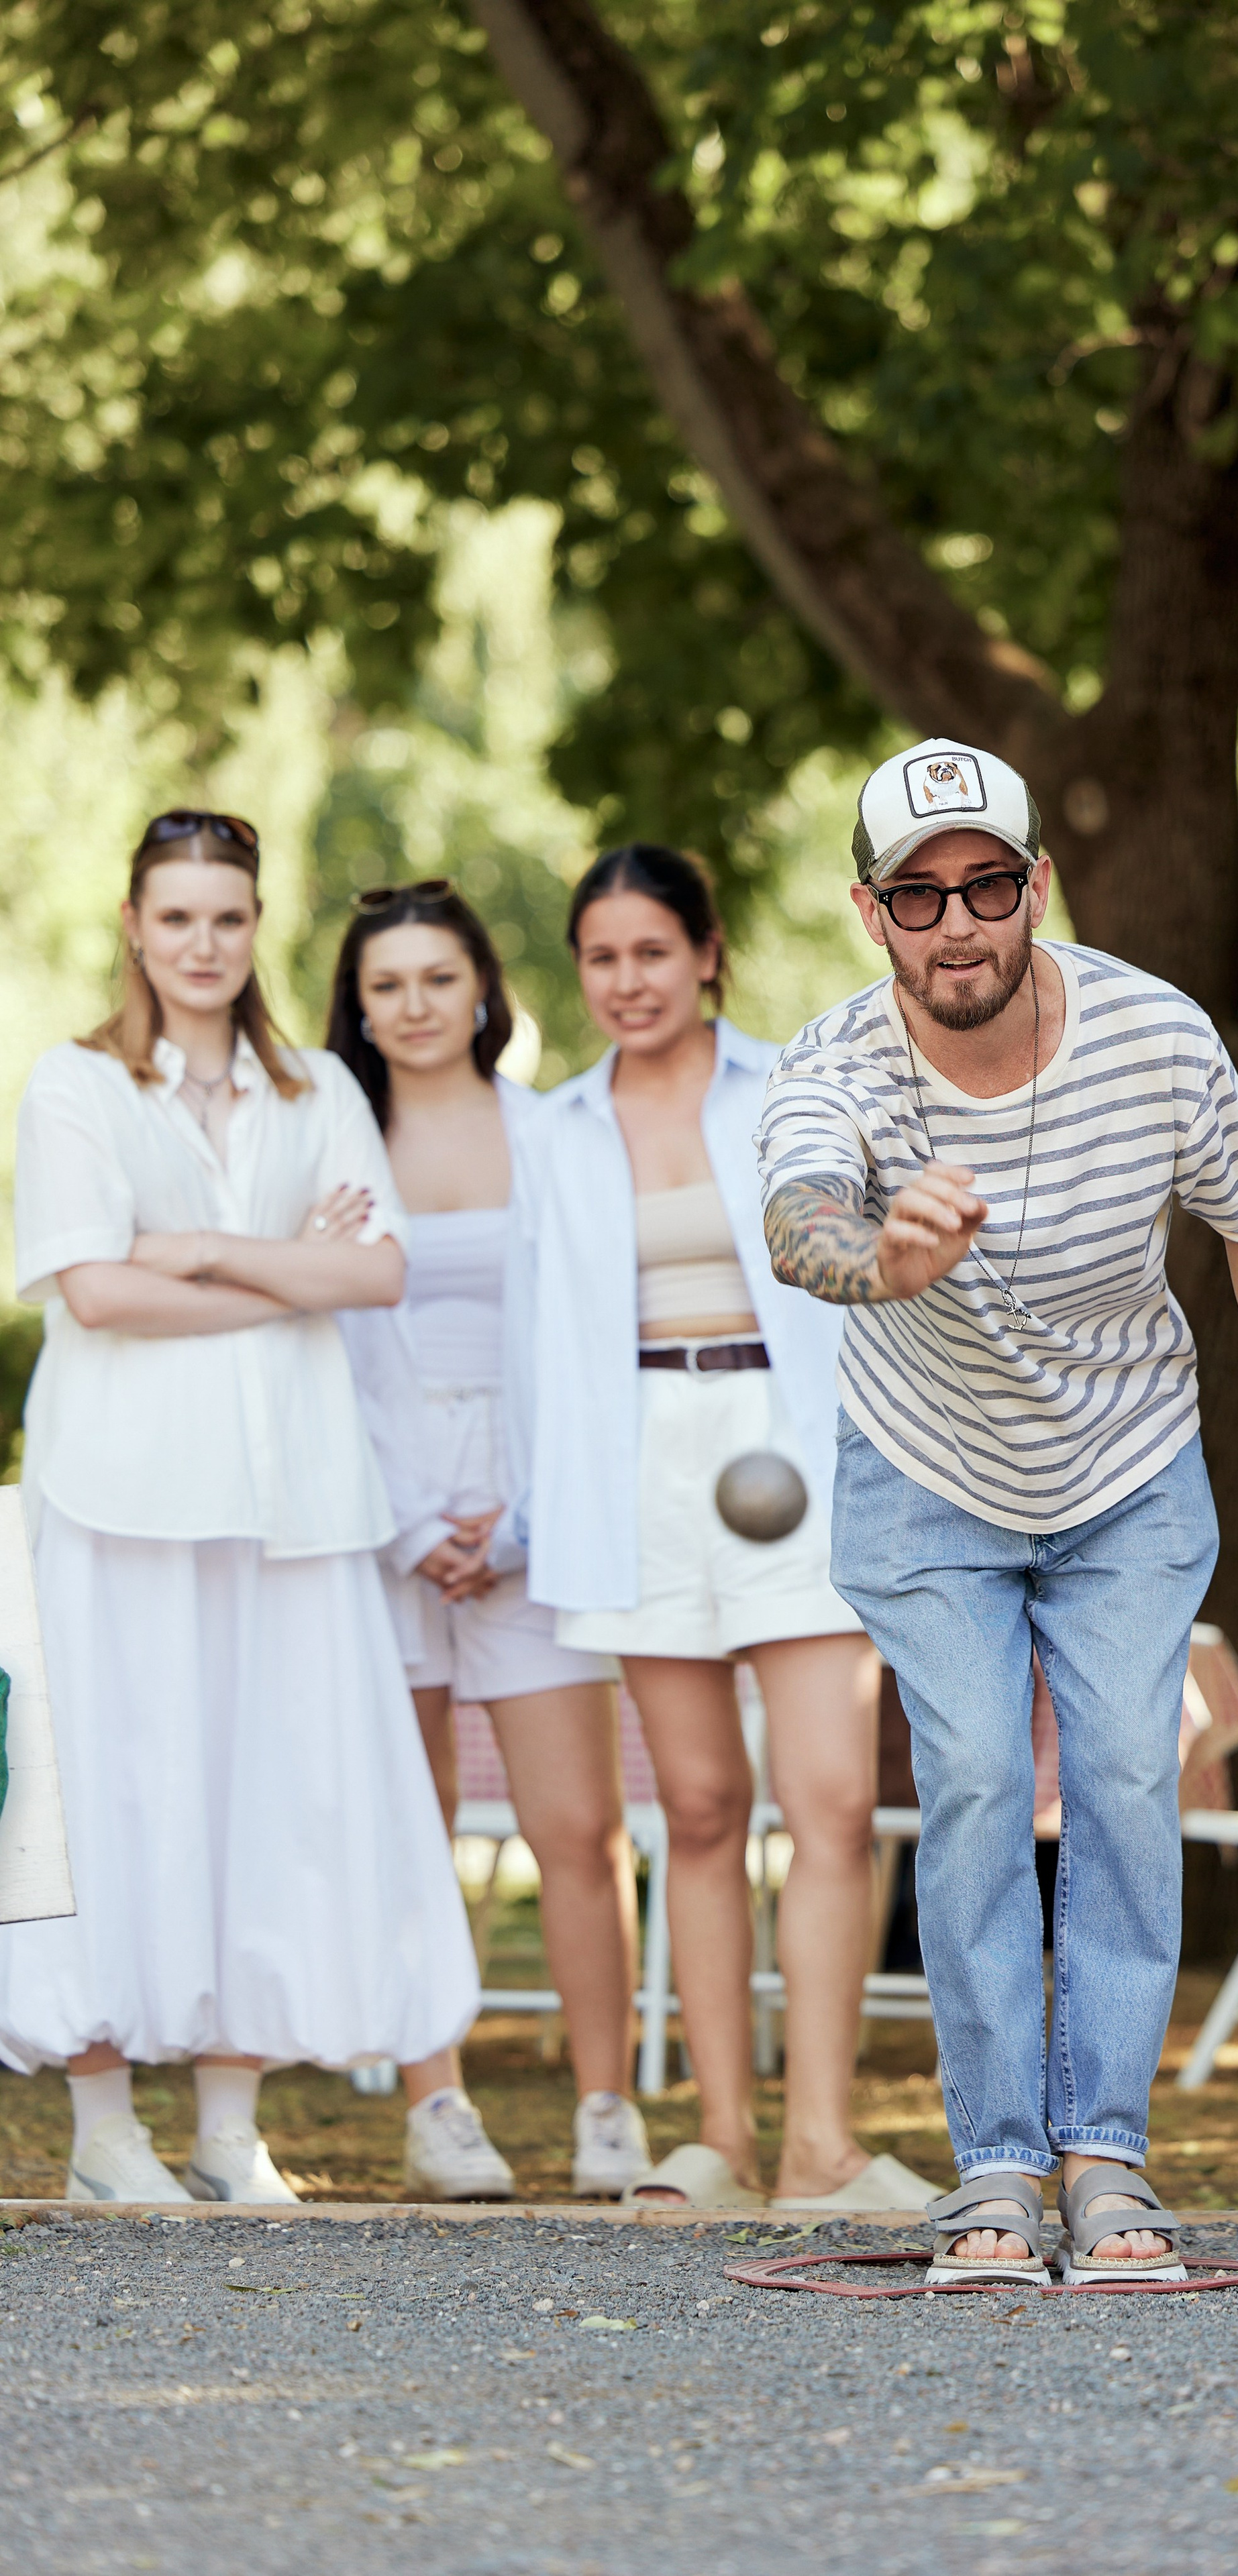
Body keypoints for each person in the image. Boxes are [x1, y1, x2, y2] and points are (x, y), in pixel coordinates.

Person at [758, 738, 1238, 2285]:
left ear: (1036, 888)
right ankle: (992, 2175)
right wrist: (883, 1255)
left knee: (1117, 1778)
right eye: (915, 895)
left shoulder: (1153, 1038)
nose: (953, 922)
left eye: (985, 885)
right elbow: (800, 1221)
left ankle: (1105, 2164)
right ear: (868, 911)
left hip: (1125, 1466)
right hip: (925, 1471)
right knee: (966, 1773)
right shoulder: (834, 1061)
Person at [0, 810, 497, 2205]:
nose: (203, 945)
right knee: (106, 1791)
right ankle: (104, 2130)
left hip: (291, 1495)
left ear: (254, 925)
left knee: (261, 1796)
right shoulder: (75, 1086)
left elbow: (381, 1275)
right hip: (117, 1493)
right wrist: (289, 1271)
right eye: (177, 919)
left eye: (227, 918)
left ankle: (230, 2123)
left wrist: (212, 1253)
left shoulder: (315, 1092)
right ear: (135, 928)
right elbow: (93, 1291)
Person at [508, 843, 935, 2212]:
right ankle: (721, 2143)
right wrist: (531, 1507)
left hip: (789, 1450)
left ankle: (822, 2144)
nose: (626, 981)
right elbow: (532, 1341)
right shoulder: (551, 1128)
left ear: (706, 953)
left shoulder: (798, 1087)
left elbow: (876, 1270)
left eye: (651, 951)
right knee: (695, 1809)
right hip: (635, 1462)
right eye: (600, 958)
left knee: (823, 1803)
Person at [328, 879, 650, 2199]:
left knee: (575, 1825)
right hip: (376, 1516)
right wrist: (408, 1520)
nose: (413, 1006)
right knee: (412, 1821)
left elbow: (588, 1342)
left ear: (482, 991)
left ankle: (606, 2107)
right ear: (357, 1006)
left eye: (436, 979)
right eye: (385, 985)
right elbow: (325, 1345)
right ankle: (437, 2102)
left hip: (530, 1511)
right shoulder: (326, 1139)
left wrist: (514, 1517)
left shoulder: (557, 1134)